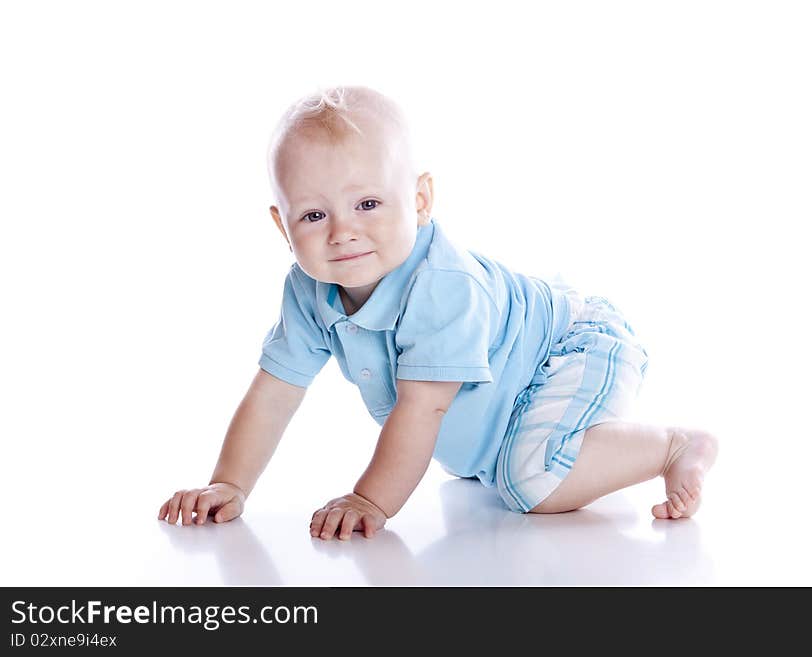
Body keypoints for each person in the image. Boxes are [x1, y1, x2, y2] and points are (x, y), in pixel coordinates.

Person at [158, 85, 719, 540]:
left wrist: (369, 500)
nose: (342, 231)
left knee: (532, 483)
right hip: (514, 375)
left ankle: (673, 445)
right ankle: (543, 445)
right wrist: (228, 484)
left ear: (420, 200)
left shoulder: (441, 287)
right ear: (283, 226)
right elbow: (273, 393)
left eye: (368, 204)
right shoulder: (309, 290)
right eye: (312, 215)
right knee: (483, 464)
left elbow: (422, 410)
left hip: (571, 346)